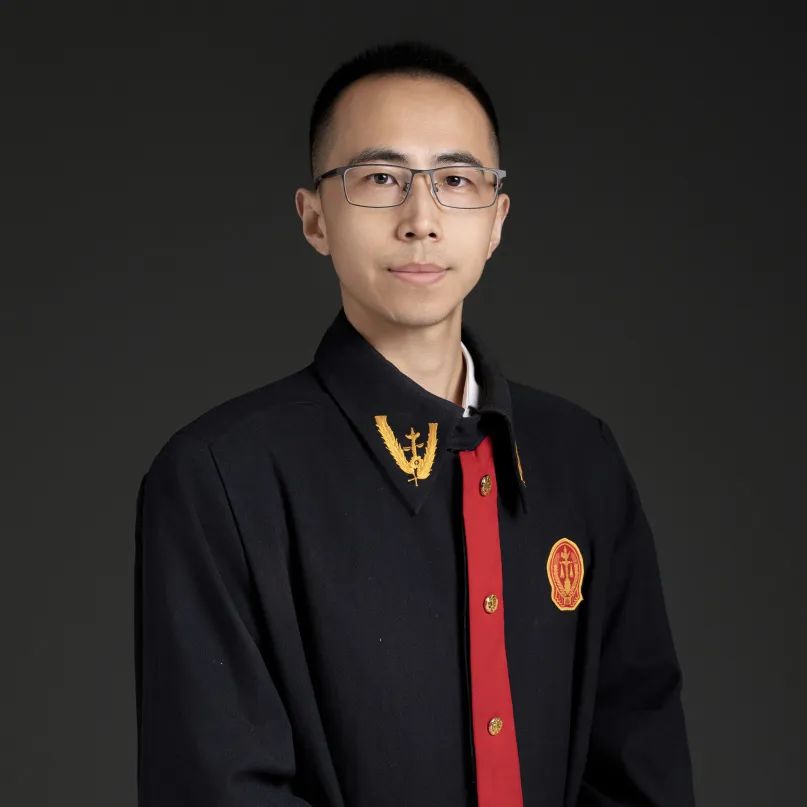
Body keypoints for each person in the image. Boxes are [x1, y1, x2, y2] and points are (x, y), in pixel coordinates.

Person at [134, 40, 696, 806]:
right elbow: (217, 784)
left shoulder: (579, 456)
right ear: (314, 218)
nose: (421, 219)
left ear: (496, 220)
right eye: (379, 178)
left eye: (456, 180)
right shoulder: (221, 476)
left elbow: (640, 760)